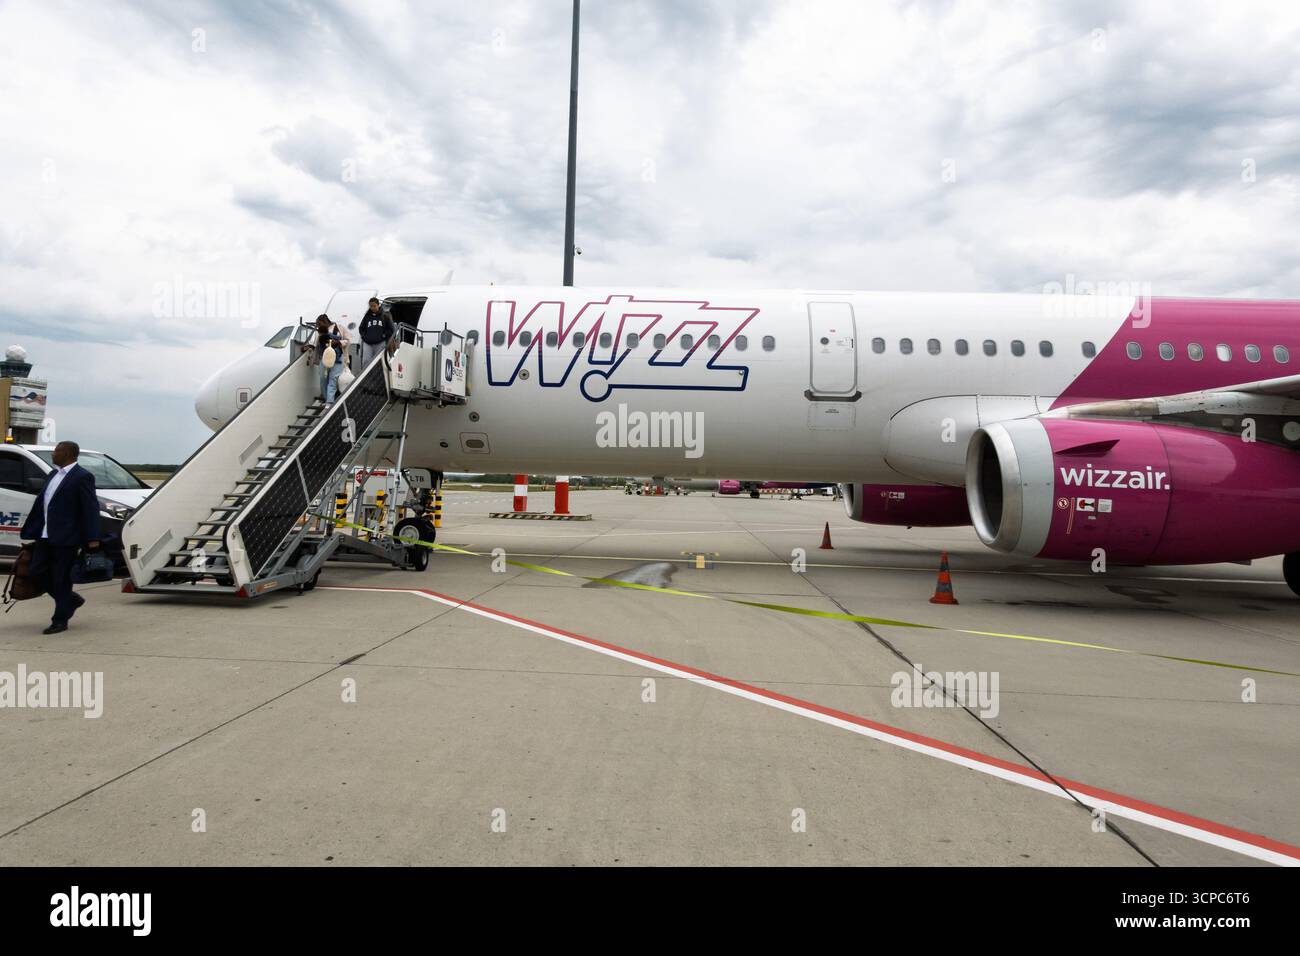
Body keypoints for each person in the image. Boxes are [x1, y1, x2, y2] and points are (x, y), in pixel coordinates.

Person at [19, 441, 102, 635]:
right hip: (45, 535)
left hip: (67, 537)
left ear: (68, 453)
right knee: (37, 571)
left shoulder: (82, 477)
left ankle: (60, 620)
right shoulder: (52, 475)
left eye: (57, 451)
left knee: (61, 579)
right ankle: (71, 600)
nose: (54, 454)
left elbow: (90, 508)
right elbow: (44, 505)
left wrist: (92, 537)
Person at [309, 313, 350, 404]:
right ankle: (327, 398)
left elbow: (347, 340)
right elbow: (314, 343)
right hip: (324, 358)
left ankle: (330, 402)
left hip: (337, 358)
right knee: (323, 379)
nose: (318, 326)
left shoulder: (339, 328)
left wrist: (339, 342)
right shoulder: (319, 332)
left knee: (333, 379)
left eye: (319, 324)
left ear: (325, 321)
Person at [358, 297, 395, 369]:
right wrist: (365, 337)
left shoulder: (385, 315)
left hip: (380, 343)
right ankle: (367, 378)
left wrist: (384, 336)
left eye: (374, 306)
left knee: (378, 361)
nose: (372, 308)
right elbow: (361, 328)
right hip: (368, 343)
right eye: (371, 306)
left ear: (378, 305)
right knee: (366, 361)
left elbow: (391, 329)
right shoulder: (367, 316)